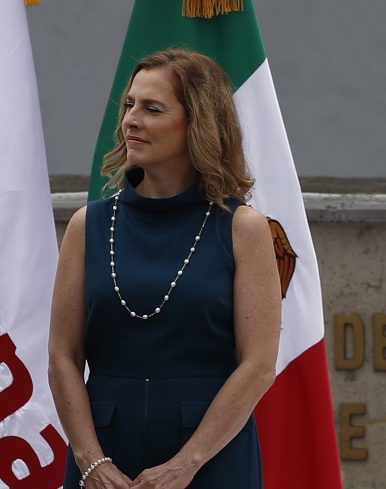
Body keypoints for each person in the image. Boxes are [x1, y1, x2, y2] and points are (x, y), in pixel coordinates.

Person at [48, 49, 282, 489]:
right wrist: (89, 460)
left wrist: (187, 462)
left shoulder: (242, 229)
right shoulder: (89, 225)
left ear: (199, 124)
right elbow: (62, 356)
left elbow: (258, 366)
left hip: (211, 455)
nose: (131, 120)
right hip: (101, 454)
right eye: (129, 105)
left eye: (152, 108)